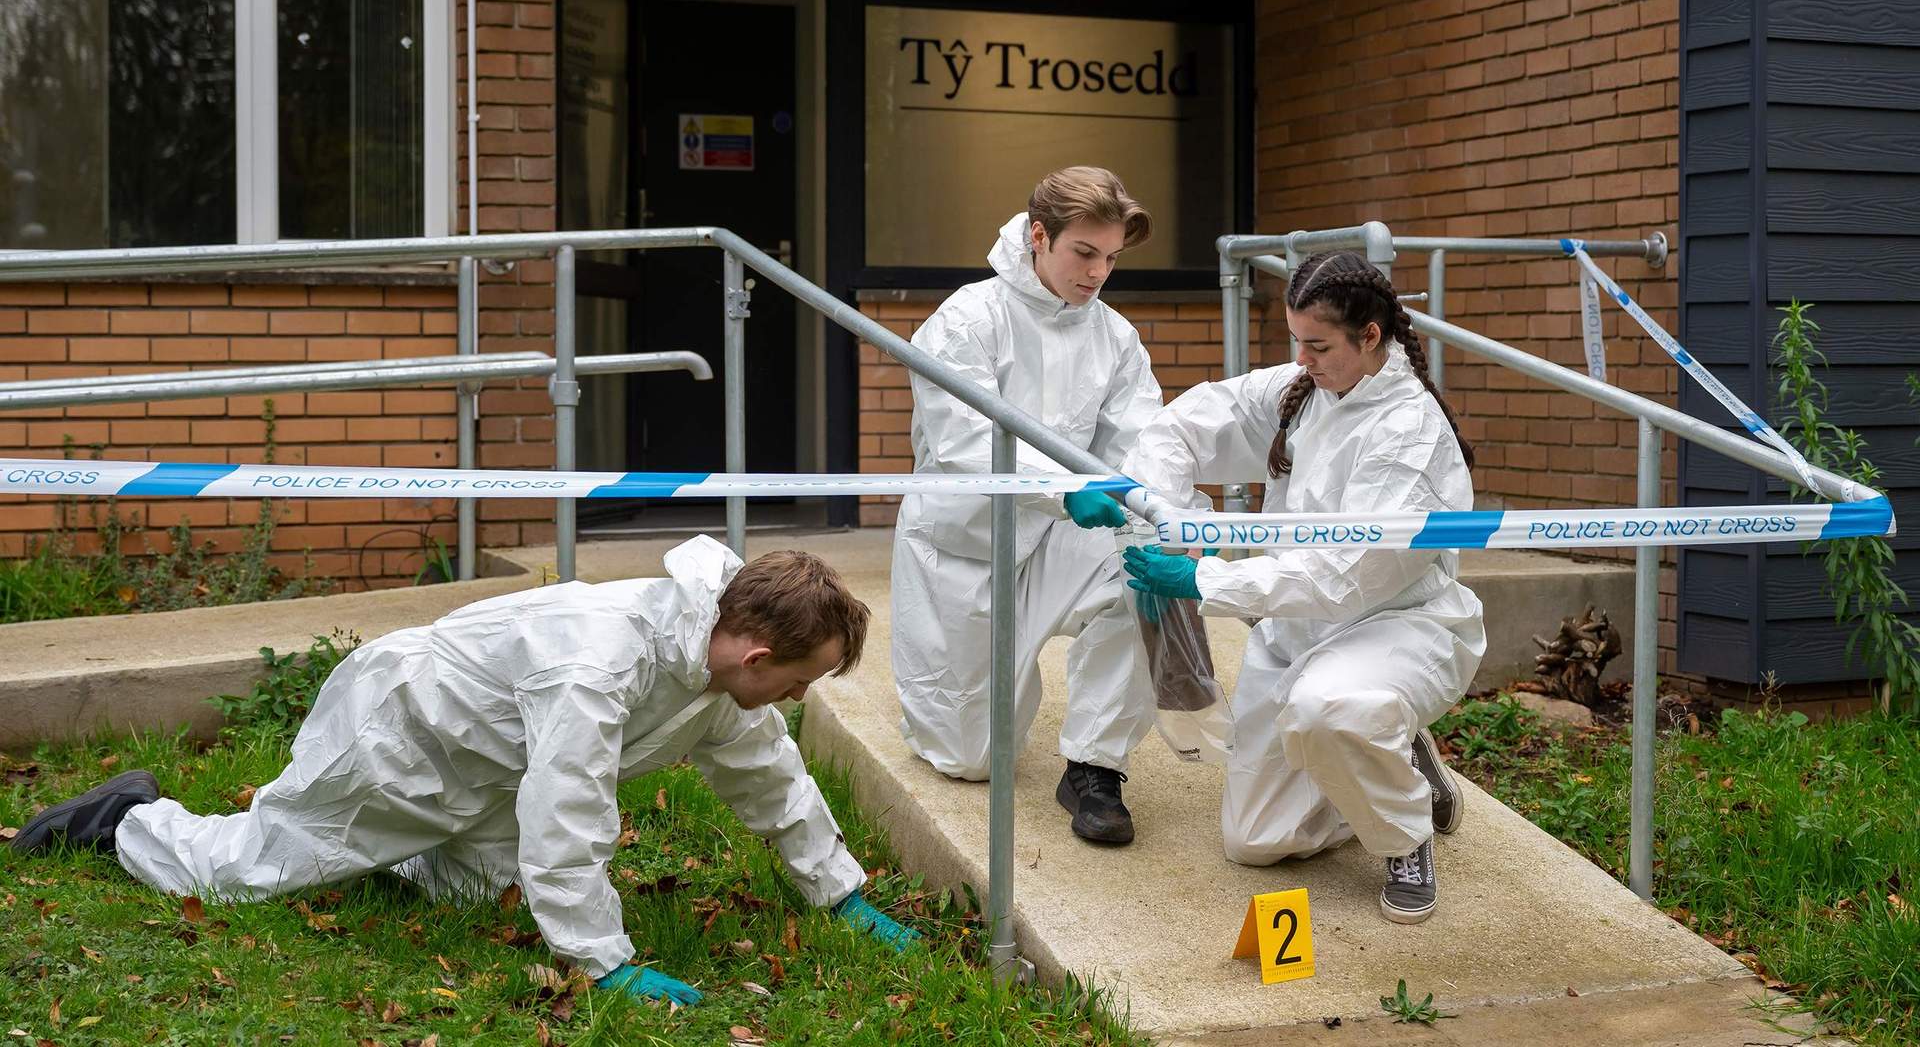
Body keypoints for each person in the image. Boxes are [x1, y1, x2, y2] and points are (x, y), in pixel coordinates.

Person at [11, 536, 917, 1004]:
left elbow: (769, 778)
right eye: (798, 682)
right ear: (756, 654)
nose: (797, 701)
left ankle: (399, 858)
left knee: (460, 897)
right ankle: (124, 818)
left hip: (486, 771)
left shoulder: (715, 675)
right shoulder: (599, 665)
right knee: (251, 873)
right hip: (402, 743)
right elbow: (569, 811)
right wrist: (602, 962)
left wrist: (840, 895)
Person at [1086, 250, 1485, 922]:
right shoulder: (1309, 389)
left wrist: (1204, 579)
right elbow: (1189, 423)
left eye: (1318, 345)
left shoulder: (1409, 433)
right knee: (1256, 840)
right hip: (1295, 629)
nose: (1302, 359)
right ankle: (1389, 760)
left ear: (1371, 336)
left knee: (1332, 709)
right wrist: (1157, 510)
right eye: (1296, 341)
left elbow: (1348, 574)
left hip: (1394, 628)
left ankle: (1406, 830)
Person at [891, 166, 1164, 844]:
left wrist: (1157, 506)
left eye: (1111, 258)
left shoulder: (1113, 336)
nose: (1098, 273)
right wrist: (1069, 488)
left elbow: (1141, 439)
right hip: (963, 552)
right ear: (1038, 237)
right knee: (972, 759)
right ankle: (965, 708)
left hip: (1058, 540)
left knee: (1145, 572)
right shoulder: (967, 318)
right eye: (1084, 253)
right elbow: (965, 438)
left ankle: (1095, 766)